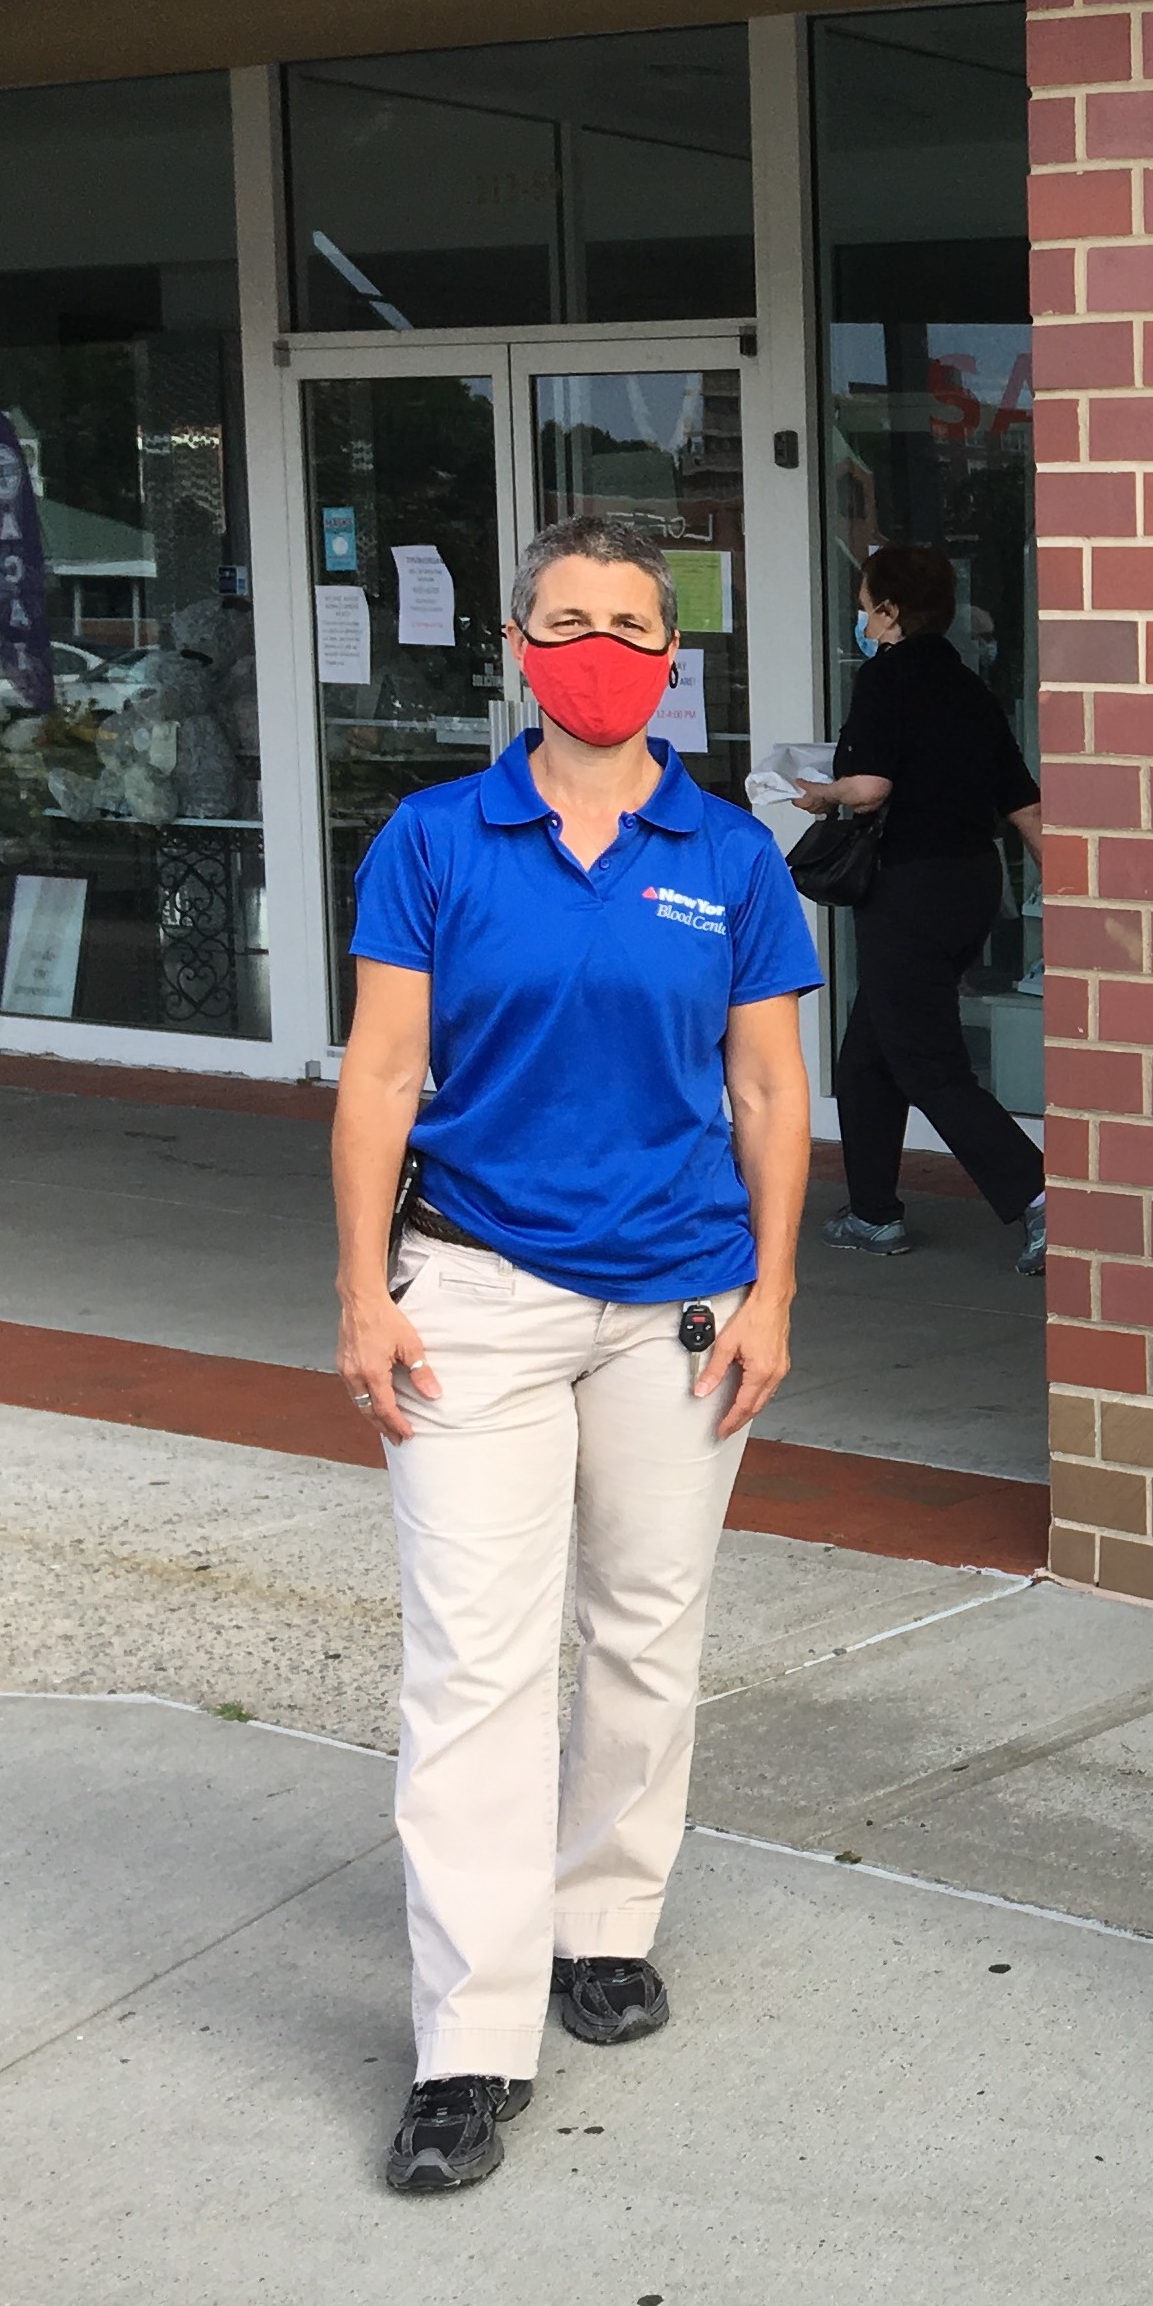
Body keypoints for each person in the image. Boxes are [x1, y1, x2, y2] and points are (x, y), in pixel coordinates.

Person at [332, 515, 822, 2194]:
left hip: (678, 1303)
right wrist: (358, 1288)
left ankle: (603, 1921)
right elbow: (383, 1074)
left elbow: (770, 1094)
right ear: (519, 647)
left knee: (643, 1629)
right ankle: (468, 2042)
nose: (598, 649)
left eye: (630, 624)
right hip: (470, 1296)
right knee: (473, 1668)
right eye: (567, 621)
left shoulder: (733, 858)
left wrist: (771, 1291)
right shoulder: (432, 838)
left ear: (671, 658)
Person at [794, 543, 1050, 1273]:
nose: (860, 617)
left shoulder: (886, 680)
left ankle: (1038, 1196)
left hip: (909, 889)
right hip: (971, 884)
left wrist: (820, 794)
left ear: (891, 612)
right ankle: (872, 1212)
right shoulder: (969, 690)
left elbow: (869, 789)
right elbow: (1025, 809)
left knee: (927, 1061)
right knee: (869, 1053)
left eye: (866, 602)